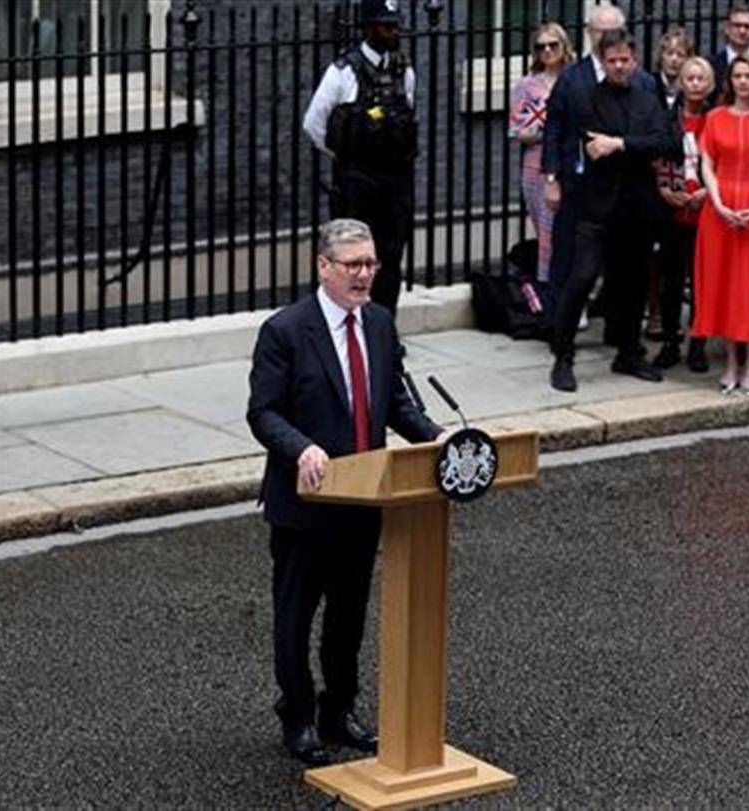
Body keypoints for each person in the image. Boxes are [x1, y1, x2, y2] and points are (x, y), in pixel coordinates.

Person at [246, 218, 443, 766]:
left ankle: (339, 711)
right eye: (353, 265)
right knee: (296, 616)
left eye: (371, 264)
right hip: (305, 503)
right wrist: (301, 448)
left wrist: (437, 437)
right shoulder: (285, 331)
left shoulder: (378, 324)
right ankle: (299, 716)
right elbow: (263, 412)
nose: (364, 275)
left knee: (349, 614)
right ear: (324, 267)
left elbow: (396, 404)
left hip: (364, 498)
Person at [548, 29, 676, 393]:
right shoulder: (589, 99)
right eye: (613, 61)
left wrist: (620, 143)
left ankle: (629, 353)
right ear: (603, 63)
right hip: (597, 206)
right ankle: (563, 355)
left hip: (637, 206)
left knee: (633, 282)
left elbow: (666, 142)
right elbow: (594, 146)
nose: (620, 66)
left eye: (625, 60)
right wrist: (635, 146)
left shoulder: (648, 98)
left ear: (634, 61)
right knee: (582, 277)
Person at [303, 0, 418, 318]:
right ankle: (349, 323)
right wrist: (345, 157)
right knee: (351, 257)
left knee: (390, 256)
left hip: (395, 178)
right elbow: (313, 123)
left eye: (395, 25)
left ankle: (384, 328)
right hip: (357, 180)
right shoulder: (344, 71)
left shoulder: (403, 70)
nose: (393, 32)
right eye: (386, 25)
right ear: (368, 28)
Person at [542, 6, 654, 327]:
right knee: (570, 262)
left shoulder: (643, 81)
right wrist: (552, 178)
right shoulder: (571, 78)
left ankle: (619, 333)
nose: (608, 40)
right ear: (590, 34)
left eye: (615, 32)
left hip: (627, 191)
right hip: (579, 187)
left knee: (625, 266)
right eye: (601, 33)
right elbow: (554, 129)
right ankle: (558, 332)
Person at [692, 55, 749, 395]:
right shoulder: (714, 118)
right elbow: (708, 165)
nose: (743, 82)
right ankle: (731, 361)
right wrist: (716, 202)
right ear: (729, 81)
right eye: (737, 76)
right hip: (721, 207)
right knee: (726, 285)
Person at [653, 56, 714, 372]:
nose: (694, 84)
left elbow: (723, 162)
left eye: (700, 78)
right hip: (673, 210)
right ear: (680, 83)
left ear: (710, 84)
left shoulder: (716, 119)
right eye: (689, 78)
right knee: (672, 280)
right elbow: (656, 157)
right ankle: (670, 341)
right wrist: (665, 191)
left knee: (701, 279)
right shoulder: (667, 118)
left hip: (706, 211)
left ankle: (698, 342)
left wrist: (708, 192)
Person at [509, 23, 575, 286]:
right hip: (535, 165)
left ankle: (572, 295)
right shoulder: (526, 86)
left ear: (564, 46)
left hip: (568, 163)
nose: (547, 51)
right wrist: (538, 130)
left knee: (569, 232)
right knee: (545, 235)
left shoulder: (573, 81)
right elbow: (515, 129)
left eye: (553, 45)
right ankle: (551, 293)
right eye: (540, 46)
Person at [711, 3, 749, 100]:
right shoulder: (711, 64)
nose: (742, 31)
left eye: (747, 26)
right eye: (737, 25)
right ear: (727, 28)